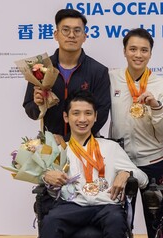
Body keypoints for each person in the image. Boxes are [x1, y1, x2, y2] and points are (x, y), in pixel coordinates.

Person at [36, 90, 148, 238]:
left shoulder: (110, 148)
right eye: (76, 113)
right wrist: (47, 177)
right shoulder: (58, 149)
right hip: (72, 206)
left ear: (96, 117)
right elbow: (47, 186)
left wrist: (126, 173)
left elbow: (144, 177)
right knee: (50, 221)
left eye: (87, 113)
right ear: (66, 117)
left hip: (103, 206)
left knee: (116, 219)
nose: (82, 119)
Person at [108, 28, 163, 238]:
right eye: (133, 49)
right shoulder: (112, 79)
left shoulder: (160, 85)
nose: (138, 54)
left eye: (144, 50)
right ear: (124, 51)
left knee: (158, 225)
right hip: (121, 162)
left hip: (152, 162)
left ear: (150, 54)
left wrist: (155, 106)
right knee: (119, 222)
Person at [23, 8, 111, 139]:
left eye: (77, 30)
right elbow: (31, 111)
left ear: (84, 37)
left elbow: (101, 114)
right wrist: (38, 104)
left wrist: (67, 139)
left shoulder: (98, 71)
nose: (71, 35)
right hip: (50, 143)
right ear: (56, 34)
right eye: (65, 30)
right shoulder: (40, 68)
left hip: (85, 145)